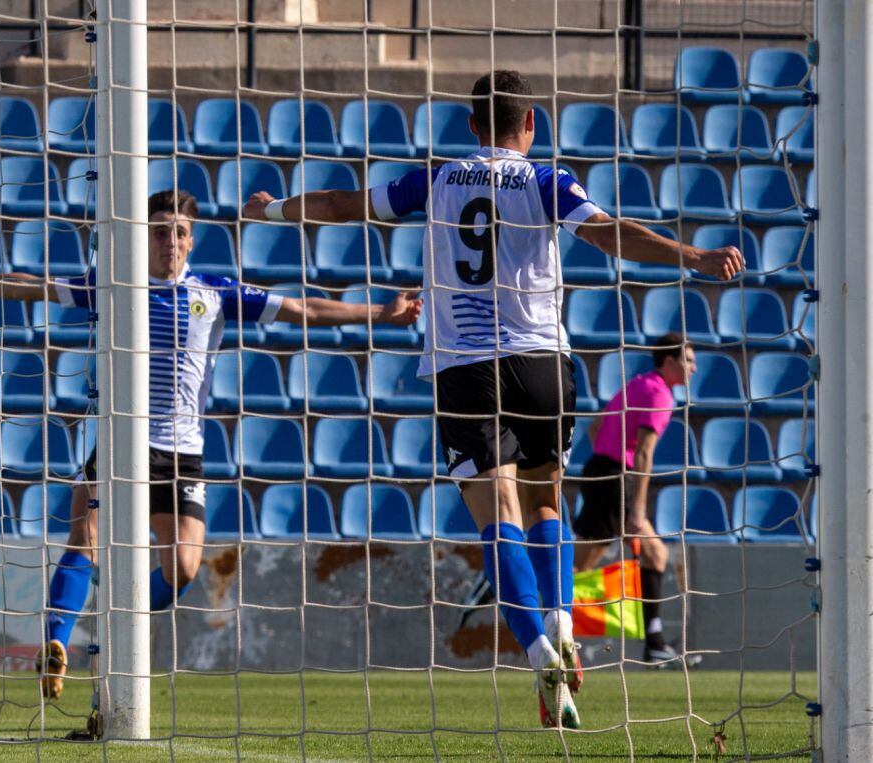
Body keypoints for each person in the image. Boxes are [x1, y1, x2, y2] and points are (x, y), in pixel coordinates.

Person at [243, 70, 743, 728]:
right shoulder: (547, 181)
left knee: (495, 512)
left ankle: (538, 649)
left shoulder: (440, 178)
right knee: (544, 499)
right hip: (541, 362)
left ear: (473, 126)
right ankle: (564, 624)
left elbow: (343, 204)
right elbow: (608, 231)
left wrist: (272, 209)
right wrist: (692, 255)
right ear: (530, 123)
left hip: (467, 366)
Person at [0, 189, 421, 699]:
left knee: (181, 569)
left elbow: (301, 308)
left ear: (192, 240)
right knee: (84, 536)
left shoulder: (215, 293)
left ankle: (120, 614)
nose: (170, 241)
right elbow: (34, 287)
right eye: (160, 230)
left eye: (179, 231)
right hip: (121, 441)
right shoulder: (115, 287)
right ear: (144, 237)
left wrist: (380, 311)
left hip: (181, 452)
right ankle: (56, 646)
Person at [572, 334, 702, 668]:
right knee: (579, 566)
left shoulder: (637, 385)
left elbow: (596, 426)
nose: (694, 367)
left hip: (602, 471)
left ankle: (655, 644)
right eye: (687, 360)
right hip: (616, 479)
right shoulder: (660, 394)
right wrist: (638, 508)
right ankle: (520, 586)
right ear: (668, 362)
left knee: (655, 554)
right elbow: (644, 453)